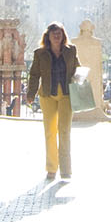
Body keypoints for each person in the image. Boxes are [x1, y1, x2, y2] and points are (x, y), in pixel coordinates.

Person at [25, 22, 79, 181]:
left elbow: (77, 68)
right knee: (50, 132)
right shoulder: (40, 53)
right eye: (54, 34)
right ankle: (51, 168)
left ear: (63, 36)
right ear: (48, 36)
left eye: (59, 34)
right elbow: (34, 74)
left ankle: (66, 169)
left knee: (64, 131)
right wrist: (31, 93)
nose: (56, 36)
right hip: (47, 95)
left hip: (66, 95)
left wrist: (82, 79)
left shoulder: (71, 51)